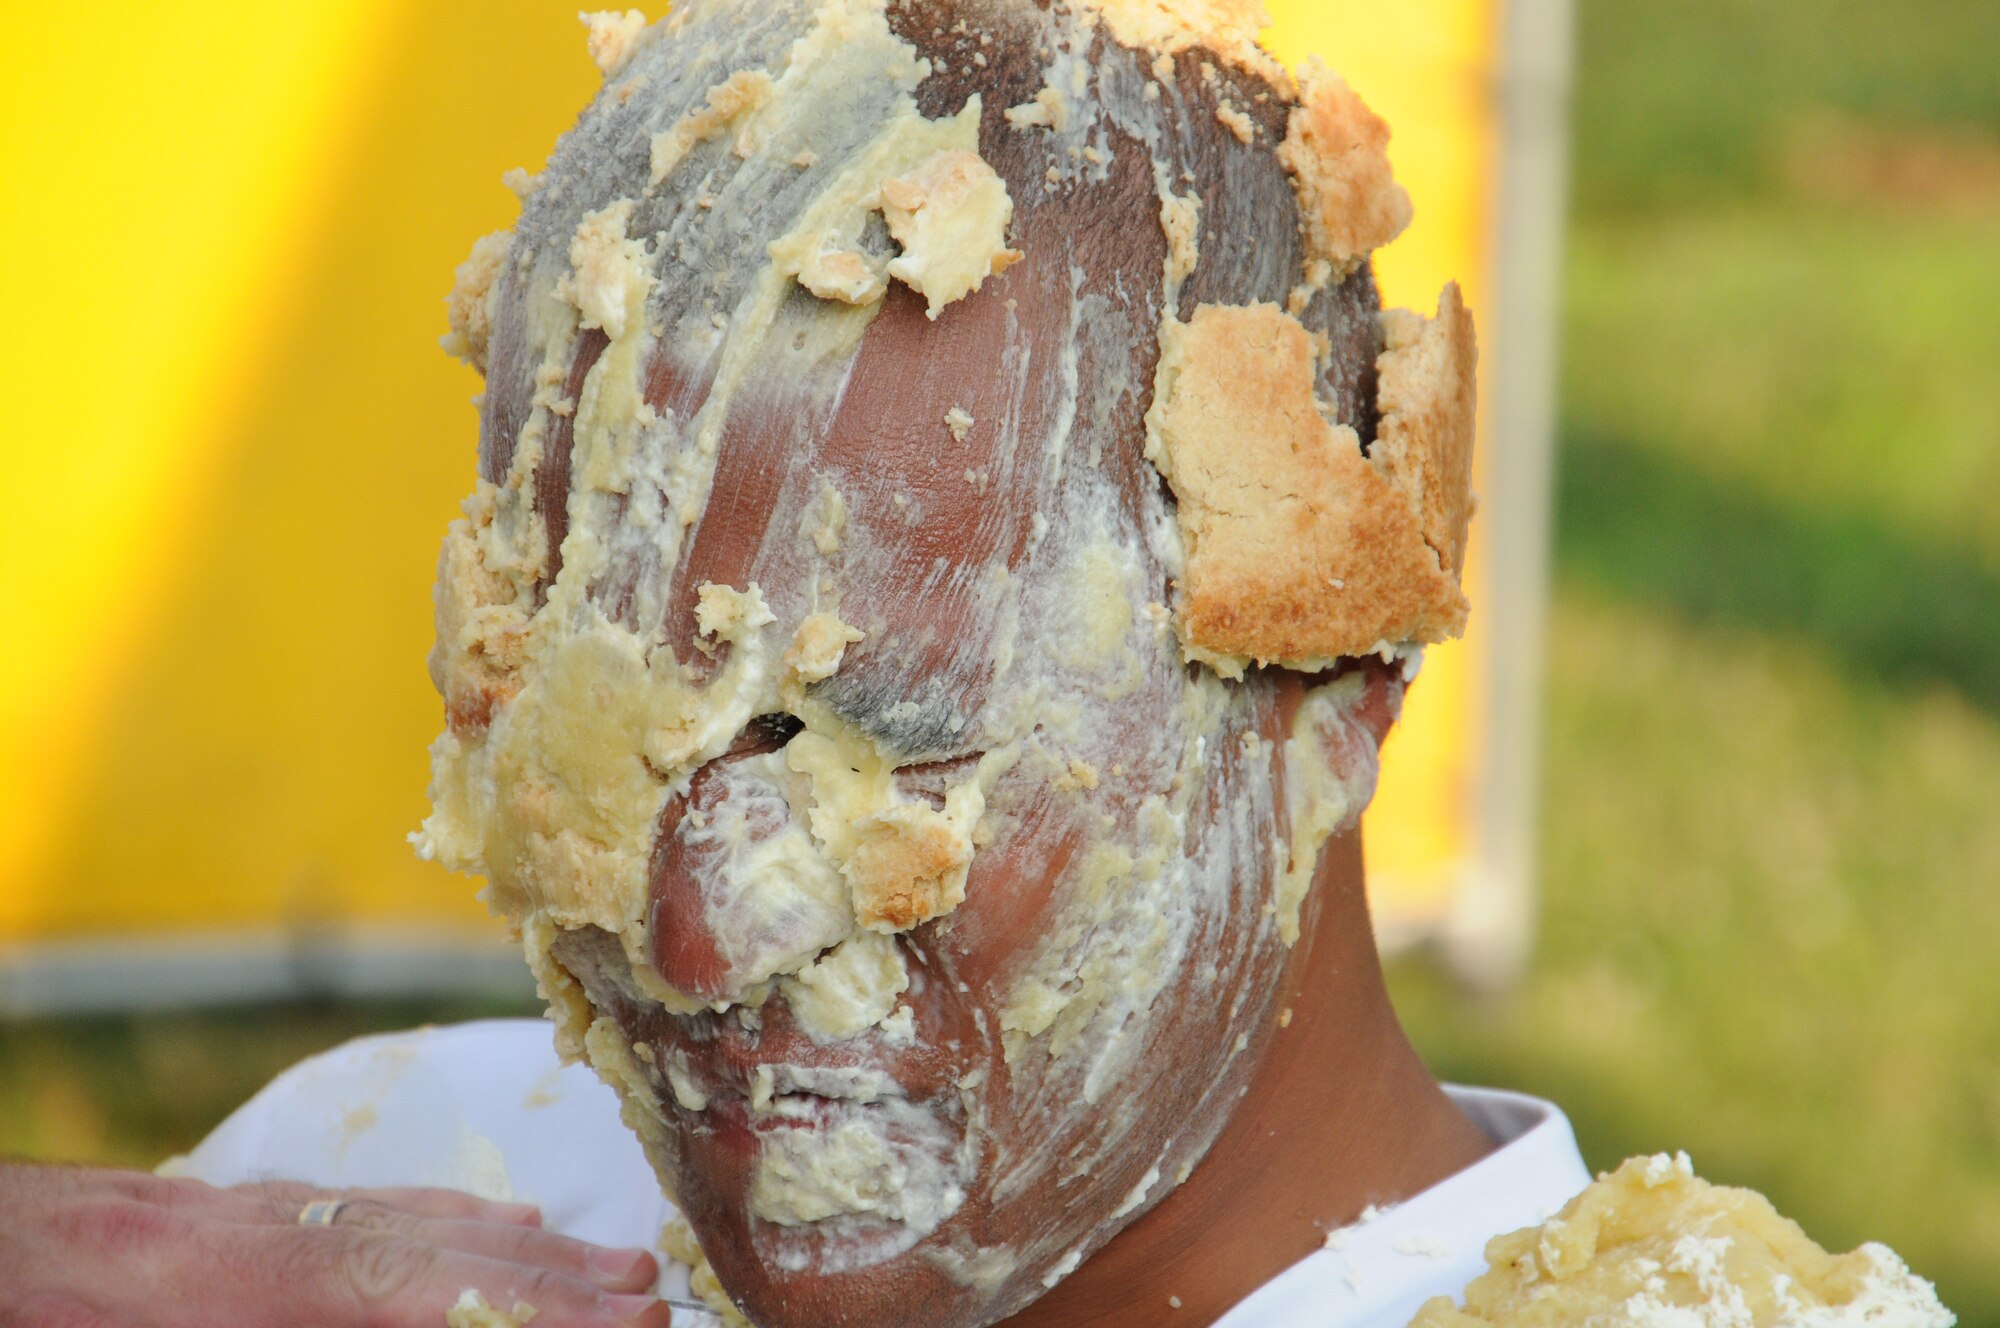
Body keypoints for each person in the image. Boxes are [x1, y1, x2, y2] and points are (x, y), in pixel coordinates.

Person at [1, 3, 1594, 1325]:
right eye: (587, 749)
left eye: (874, 762)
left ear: (1332, 687)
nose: (696, 941)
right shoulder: (378, 1181)